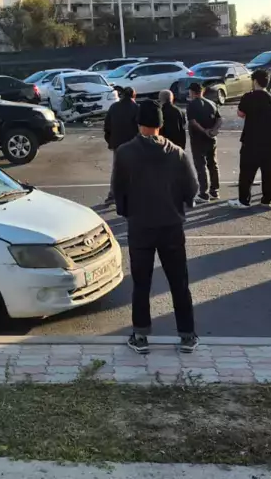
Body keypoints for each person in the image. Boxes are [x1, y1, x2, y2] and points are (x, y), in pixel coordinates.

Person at [110, 98, 199, 355]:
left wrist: (127, 211)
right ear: (161, 124)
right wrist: (180, 203)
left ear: (139, 123)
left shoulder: (125, 153)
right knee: (179, 282)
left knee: (141, 283)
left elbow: (118, 189)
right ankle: (187, 335)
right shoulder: (177, 153)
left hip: (141, 226)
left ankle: (140, 335)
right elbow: (192, 188)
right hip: (171, 225)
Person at [230, 70, 271, 209]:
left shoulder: (249, 96)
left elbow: (241, 113)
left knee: (246, 171)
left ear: (255, 81)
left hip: (251, 139)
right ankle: (267, 199)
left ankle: (244, 200)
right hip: (269, 140)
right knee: (267, 171)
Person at [102, 86, 139, 207]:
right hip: (133, 143)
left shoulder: (114, 107)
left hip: (117, 143)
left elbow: (107, 126)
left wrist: (110, 140)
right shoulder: (136, 108)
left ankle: (113, 195)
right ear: (134, 95)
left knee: (117, 169)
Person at [186, 82, 222, 203]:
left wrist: (204, 131)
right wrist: (213, 130)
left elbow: (193, 122)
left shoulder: (192, 105)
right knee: (213, 164)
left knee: (200, 165)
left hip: (198, 139)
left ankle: (204, 193)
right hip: (211, 138)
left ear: (192, 92)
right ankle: (215, 191)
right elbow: (219, 119)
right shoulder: (212, 103)